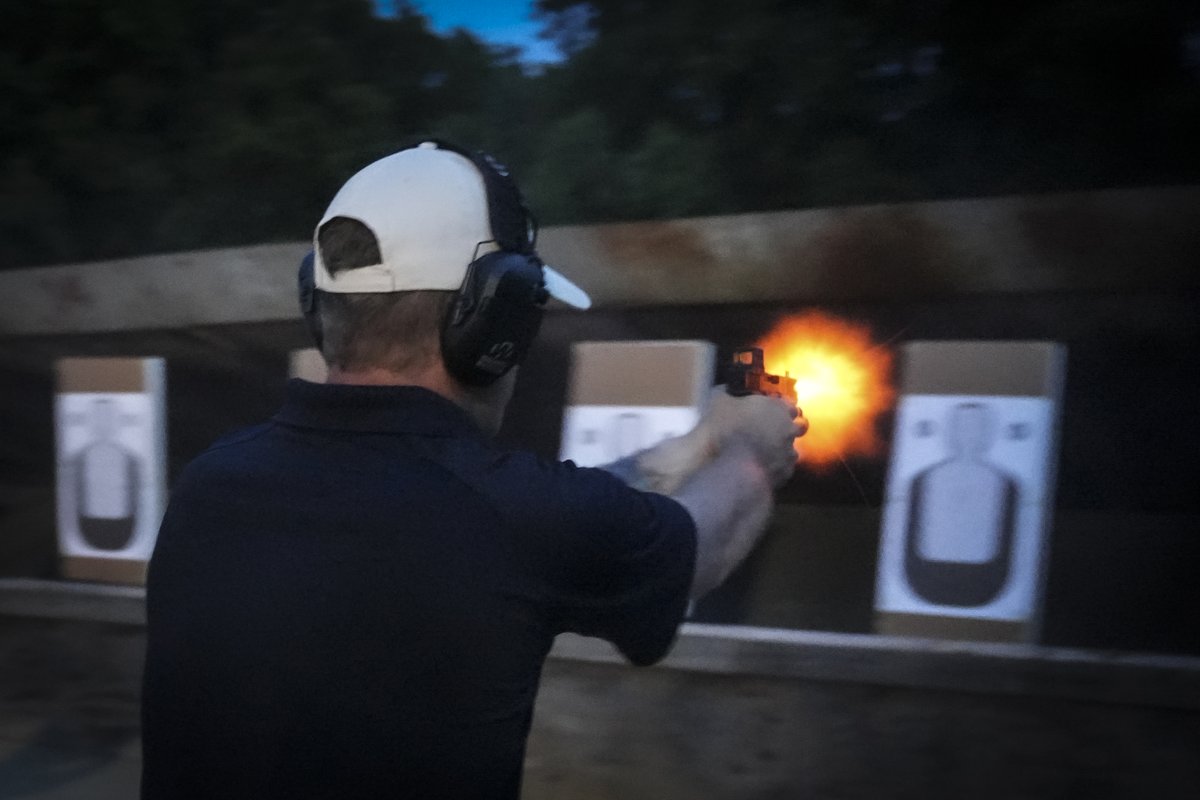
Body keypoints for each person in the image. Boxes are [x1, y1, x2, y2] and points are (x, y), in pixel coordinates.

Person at [140, 140, 807, 799]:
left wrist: (691, 448)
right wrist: (752, 448)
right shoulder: (515, 521)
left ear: (319, 306)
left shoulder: (209, 485)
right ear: (495, 321)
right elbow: (697, 549)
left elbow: (522, 518)